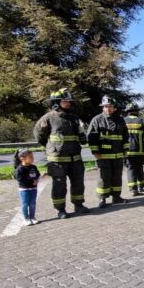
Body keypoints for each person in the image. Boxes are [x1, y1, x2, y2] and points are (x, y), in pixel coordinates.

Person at [33, 88, 90, 219]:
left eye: (69, 101)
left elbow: (80, 134)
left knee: (78, 183)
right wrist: (51, 147)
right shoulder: (48, 118)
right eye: (65, 101)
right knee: (59, 185)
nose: (68, 103)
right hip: (57, 159)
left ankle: (79, 205)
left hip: (75, 158)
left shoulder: (74, 118)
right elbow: (39, 135)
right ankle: (60, 209)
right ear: (56, 102)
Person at [87, 95, 129, 208]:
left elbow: (125, 136)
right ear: (103, 107)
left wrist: (126, 149)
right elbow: (91, 137)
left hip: (118, 155)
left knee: (117, 177)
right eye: (106, 106)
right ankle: (102, 199)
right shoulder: (97, 119)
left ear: (114, 107)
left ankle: (116, 197)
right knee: (103, 178)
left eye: (110, 106)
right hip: (103, 155)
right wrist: (95, 152)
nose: (108, 108)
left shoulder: (120, 120)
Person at [124, 102, 144, 196]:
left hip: (127, 151)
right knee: (140, 168)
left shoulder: (123, 121)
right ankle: (141, 186)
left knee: (131, 169)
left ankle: (133, 189)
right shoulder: (142, 121)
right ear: (137, 111)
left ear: (127, 111)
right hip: (140, 151)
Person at [13, 149, 41, 226]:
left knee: (32, 203)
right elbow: (19, 179)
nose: (33, 159)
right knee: (25, 204)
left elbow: (37, 174)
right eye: (30, 157)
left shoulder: (33, 167)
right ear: (22, 158)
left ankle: (32, 217)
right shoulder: (20, 169)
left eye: (33, 157)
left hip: (33, 189)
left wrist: (37, 180)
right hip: (24, 190)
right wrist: (31, 182)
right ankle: (26, 219)